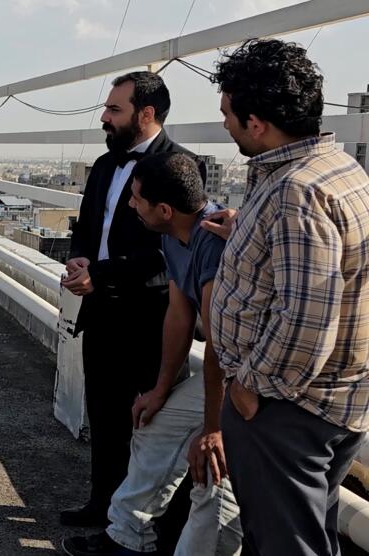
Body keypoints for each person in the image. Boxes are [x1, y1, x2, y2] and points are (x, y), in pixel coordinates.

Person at [209, 38, 369, 555]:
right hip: (328, 400)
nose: (225, 125)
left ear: (256, 123)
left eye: (228, 114)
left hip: (287, 408)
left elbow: (305, 318)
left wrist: (249, 388)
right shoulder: (337, 168)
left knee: (286, 544)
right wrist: (246, 231)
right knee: (307, 533)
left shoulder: (295, 191)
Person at [61, 153, 241, 556]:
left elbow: (220, 346)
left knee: (215, 473)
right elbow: (179, 315)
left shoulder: (214, 243)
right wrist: (160, 390)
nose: (130, 204)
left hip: (254, 380)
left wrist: (213, 427)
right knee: (151, 424)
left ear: (164, 210)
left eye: (137, 199)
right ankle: (128, 538)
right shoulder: (173, 235)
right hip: (229, 373)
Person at [61, 71, 199, 527]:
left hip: (150, 319)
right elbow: (86, 227)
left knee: (150, 426)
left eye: (114, 109)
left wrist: (99, 274)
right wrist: (79, 261)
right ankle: (102, 506)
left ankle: (144, 525)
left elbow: (167, 253)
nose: (104, 117)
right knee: (104, 415)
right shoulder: (105, 164)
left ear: (146, 113)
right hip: (99, 310)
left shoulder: (181, 166)